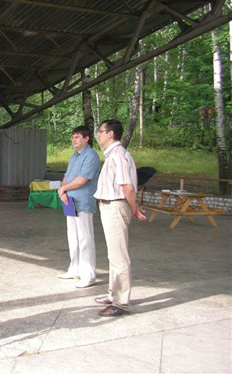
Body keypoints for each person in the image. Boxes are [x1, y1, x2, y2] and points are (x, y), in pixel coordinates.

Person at [93, 119, 146, 317]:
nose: (98, 134)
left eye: (101, 131)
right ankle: (112, 294)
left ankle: (121, 302)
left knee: (119, 256)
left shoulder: (118, 156)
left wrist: (133, 208)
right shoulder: (112, 155)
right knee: (113, 254)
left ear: (111, 134)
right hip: (110, 206)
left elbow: (128, 187)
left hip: (115, 206)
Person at [57, 126, 100, 288]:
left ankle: (88, 275)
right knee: (72, 238)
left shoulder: (91, 156)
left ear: (86, 138)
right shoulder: (74, 156)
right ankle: (74, 269)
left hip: (83, 202)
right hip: (70, 201)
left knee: (85, 239)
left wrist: (63, 189)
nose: (73, 140)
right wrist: (63, 190)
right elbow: (66, 177)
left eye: (77, 137)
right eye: (73, 137)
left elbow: (83, 180)